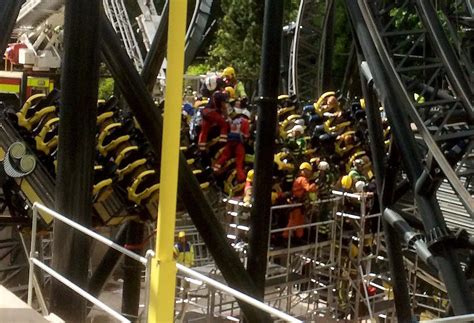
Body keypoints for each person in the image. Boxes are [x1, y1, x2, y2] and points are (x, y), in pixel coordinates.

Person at [212, 107, 250, 182]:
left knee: (224, 156)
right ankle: (241, 178)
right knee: (239, 161)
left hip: (230, 141)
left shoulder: (233, 121)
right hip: (238, 143)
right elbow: (246, 135)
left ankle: (215, 170)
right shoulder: (245, 122)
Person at [283, 162, 317, 240]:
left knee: (299, 220)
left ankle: (299, 236)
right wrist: (315, 186)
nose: (310, 173)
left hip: (298, 203)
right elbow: (308, 188)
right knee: (294, 221)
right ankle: (285, 236)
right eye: (308, 171)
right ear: (304, 171)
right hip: (296, 203)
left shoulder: (298, 179)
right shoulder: (302, 179)